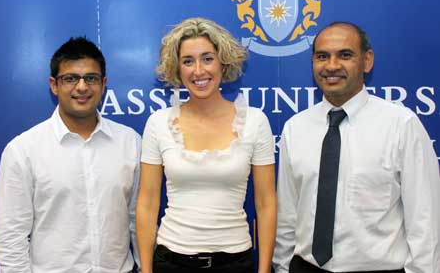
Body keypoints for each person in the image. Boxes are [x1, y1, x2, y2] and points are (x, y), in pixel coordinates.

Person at [273, 22, 440, 273]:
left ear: (367, 60)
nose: (331, 66)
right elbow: (287, 214)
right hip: (306, 267)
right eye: (322, 56)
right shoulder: (295, 128)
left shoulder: (401, 125)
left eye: (345, 55)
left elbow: (424, 221)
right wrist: (284, 268)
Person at [136, 17, 277, 273]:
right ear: (177, 69)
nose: (198, 70)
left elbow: (266, 203)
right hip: (171, 262)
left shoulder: (255, 122)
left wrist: (265, 269)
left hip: (235, 263)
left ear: (223, 63)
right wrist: (146, 271)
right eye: (188, 61)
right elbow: (147, 203)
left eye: (207, 58)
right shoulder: (158, 123)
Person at [0, 37, 141, 273]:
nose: (82, 87)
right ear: (54, 85)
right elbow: (10, 235)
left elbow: (138, 220)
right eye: (71, 78)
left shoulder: (130, 142)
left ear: (103, 84)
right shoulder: (23, 150)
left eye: (91, 78)